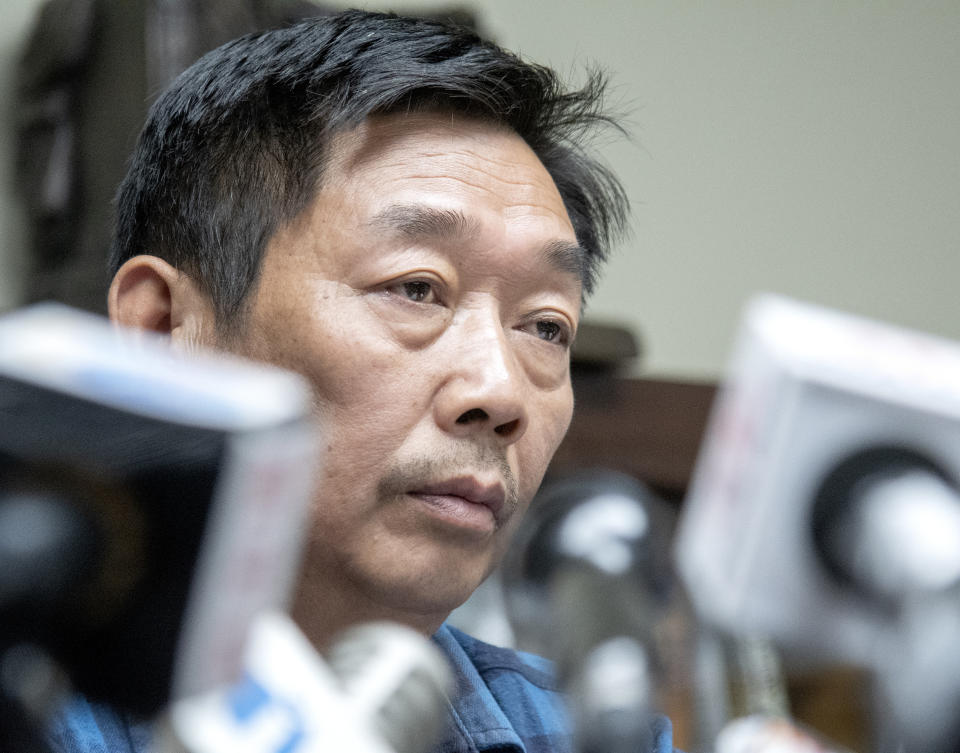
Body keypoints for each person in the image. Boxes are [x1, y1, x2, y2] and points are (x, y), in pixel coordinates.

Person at [48, 9, 676, 753]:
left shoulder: (590, 735)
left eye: (545, 326)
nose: (499, 393)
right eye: (416, 288)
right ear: (161, 329)